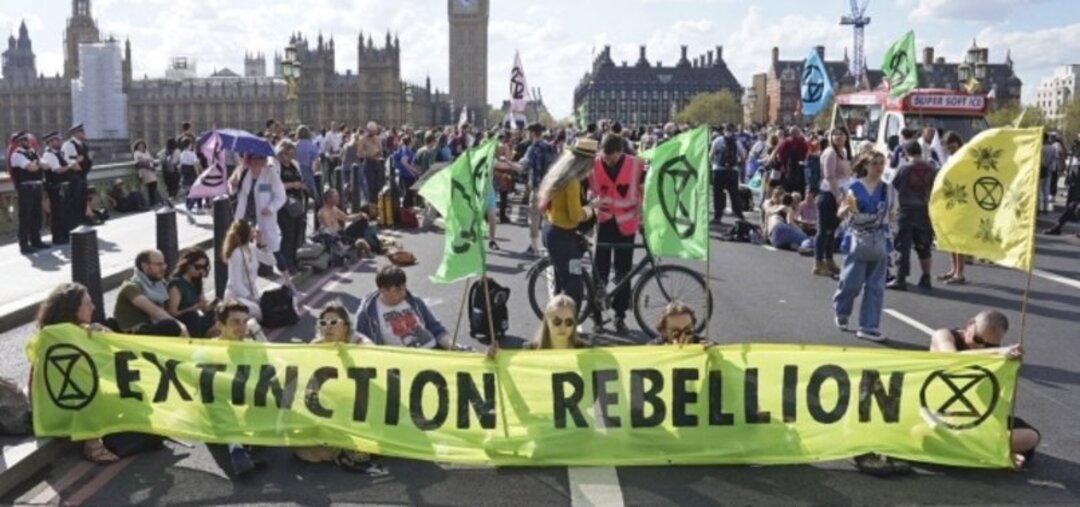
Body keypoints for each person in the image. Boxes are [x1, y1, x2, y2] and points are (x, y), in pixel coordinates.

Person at [930, 310, 1038, 469]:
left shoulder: (995, 355)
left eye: (989, 344)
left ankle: (980, 449)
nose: (979, 346)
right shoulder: (944, 335)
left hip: (974, 416)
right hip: (939, 413)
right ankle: (993, 453)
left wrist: (1010, 366)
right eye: (978, 339)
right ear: (970, 324)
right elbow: (952, 358)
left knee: (1031, 437)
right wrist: (995, 351)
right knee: (920, 433)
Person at [295, 302, 389, 475]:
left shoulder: (361, 343)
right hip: (331, 405)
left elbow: (374, 366)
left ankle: (347, 447)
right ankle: (343, 449)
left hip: (361, 404)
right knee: (304, 452)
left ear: (346, 326)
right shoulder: (316, 345)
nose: (327, 327)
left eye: (333, 323)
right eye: (323, 323)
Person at [36, 283, 121, 464]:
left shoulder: (77, 330)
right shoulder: (56, 334)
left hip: (74, 390)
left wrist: (104, 334)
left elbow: (118, 355)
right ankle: (92, 445)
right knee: (89, 389)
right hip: (63, 397)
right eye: (87, 304)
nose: (93, 307)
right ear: (72, 308)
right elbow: (91, 369)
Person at [833, 152, 894, 342]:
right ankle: (841, 310)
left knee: (876, 286)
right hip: (857, 238)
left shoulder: (887, 189)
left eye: (881, 163)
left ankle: (868, 326)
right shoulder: (853, 187)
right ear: (865, 165)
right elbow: (841, 212)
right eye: (874, 163)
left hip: (878, 238)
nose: (878, 167)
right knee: (851, 282)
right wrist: (846, 209)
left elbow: (892, 213)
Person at [589, 134, 643, 332]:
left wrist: (644, 219)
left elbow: (643, 190)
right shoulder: (594, 164)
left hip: (626, 224)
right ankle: (596, 316)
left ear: (621, 152)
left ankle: (620, 315)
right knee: (599, 271)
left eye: (611, 157)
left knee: (624, 272)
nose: (607, 160)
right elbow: (588, 189)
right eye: (605, 156)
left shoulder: (635, 165)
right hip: (604, 222)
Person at [537, 139, 599, 312]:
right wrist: (592, 208)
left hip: (551, 229)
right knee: (574, 286)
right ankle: (569, 327)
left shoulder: (559, 174)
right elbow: (575, 216)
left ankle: (555, 324)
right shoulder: (572, 182)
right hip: (563, 235)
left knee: (561, 282)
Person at [210, 300, 266, 476]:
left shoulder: (251, 345)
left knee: (267, 390)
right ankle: (237, 449)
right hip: (219, 405)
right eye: (235, 322)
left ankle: (254, 441)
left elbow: (274, 368)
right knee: (212, 396)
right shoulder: (206, 350)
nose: (242, 327)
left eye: (244, 321)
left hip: (242, 398)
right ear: (220, 325)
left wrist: (261, 341)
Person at [353, 265, 453, 348]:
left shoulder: (414, 301)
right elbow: (361, 342)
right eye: (398, 290)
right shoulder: (367, 314)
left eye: (404, 287)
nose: (403, 293)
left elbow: (436, 328)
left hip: (433, 350)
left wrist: (452, 346)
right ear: (383, 290)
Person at [231, 153, 291, 289]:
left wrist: (271, 208)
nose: (256, 165)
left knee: (273, 249)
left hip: (264, 217)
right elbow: (234, 192)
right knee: (241, 249)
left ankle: (288, 281)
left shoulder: (270, 174)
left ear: (264, 161)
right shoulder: (242, 170)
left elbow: (281, 195)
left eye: (260, 162)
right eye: (254, 162)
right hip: (245, 216)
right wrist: (232, 184)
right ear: (249, 160)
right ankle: (245, 283)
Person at [888, 141, 937, 291]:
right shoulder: (932, 168)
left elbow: (894, 184)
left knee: (903, 246)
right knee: (924, 246)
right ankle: (926, 277)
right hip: (924, 210)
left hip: (906, 210)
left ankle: (900, 278)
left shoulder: (904, 168)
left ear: (906, 153)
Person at [113, 250, 186, 336]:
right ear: (144, 266)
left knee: (190, 317)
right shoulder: (130, 287)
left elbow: (170, 311)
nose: (163, 268)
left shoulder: (160, 284)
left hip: (152, 326)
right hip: (135, 334)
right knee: (171, 325)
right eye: (158, 265)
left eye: (163, 264)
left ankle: (197, 346)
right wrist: (181, 326)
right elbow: (156, 312)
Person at [222, 220, 277, 322]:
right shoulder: (236, 254)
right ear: (246, 233)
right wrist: (252, 299)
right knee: (258, 311)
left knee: (273, 304)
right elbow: (236, 283)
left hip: (253, 293)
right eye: (251, 228)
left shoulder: (252, 248)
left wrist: (263, 244)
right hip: (237, 296)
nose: (254, 230)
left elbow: (271, 261)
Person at [815, 128, 851, 276]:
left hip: (842, 193)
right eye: (835, 134)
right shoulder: (830, 153)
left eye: (841, 134)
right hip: (829, 195)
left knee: (832, 230)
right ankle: (818, 262)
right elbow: (829, 176)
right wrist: (838, 196)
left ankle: (829, 260)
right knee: (823, 230)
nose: (838, 137)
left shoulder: (844, 152)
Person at [521, 123, 558, 256]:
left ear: (532, 133)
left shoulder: (532, 148)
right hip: (551, 187)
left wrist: (506, 163)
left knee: (534, 217)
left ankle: (534, 246)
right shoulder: (550, 147)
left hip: (538, 187)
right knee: (550, 217)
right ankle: (550, 246)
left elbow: (522, 167)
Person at [8, 131, 47, 254]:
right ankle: (24, 244)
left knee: (37, 216)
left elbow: (46, 166)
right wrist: (37, 164)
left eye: (27, 140)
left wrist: (37, 163)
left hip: (37, 186)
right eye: (24, 140)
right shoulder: (17, 155)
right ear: (19, 142)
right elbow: (32, 167)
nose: (27, 142)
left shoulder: (32, 152)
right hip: (25, 188)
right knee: (25, 217)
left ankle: (36, 240)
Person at [166, 247, 218, 338]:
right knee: (193, 316)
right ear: (187, 265)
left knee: (218, 314)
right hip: (185, 320)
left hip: (197, 318)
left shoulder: (197, 282)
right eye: (197, 267)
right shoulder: (176, 284)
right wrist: (195, 308)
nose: (201, 271)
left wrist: (209, 306)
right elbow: (172, 313)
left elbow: (203, 304)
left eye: (204, 267)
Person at [938, 132, 969, 284]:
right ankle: (953, 269)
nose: (949, 148)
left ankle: (960, 272)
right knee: (950, 238)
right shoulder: (949, 158)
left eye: (952, 145)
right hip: (950, 200)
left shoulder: (964, 157)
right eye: (946, 145)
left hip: (960, 200)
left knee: (958, 239)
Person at [275, 140, 307, 274]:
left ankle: (294, 261)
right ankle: (285, 264)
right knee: (288, 234)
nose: (290, 157)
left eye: (292, 154)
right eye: (287, 154)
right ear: (281, 153)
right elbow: (275, 186)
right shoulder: (275, 166)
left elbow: (300, 179)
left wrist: (301, 185)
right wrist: (293, 185)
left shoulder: (295, 165)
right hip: (283, 204)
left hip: (297, 203)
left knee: (297, 233)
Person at [40, 131, 76, 246]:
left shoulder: (59, 153)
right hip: (55, 187)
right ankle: (58, 236)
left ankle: (65, 234)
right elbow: (57, 170)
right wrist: (70, 166)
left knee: (65, 211)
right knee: (57, 212)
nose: (60, 142)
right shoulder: (49, 154)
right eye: (57, 140)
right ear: (50, 142)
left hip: (63, 185)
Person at [710, 123, 746, 225]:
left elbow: (711, 155)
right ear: (733, 130)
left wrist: (714, 163)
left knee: (718, 194)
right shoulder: (737, 142)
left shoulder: (717, 140)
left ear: (724, 130)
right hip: (732, 171)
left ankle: (718, 216)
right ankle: (739, 216)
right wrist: (739, 164)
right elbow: (743, 156)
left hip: (718, 170)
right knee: (734, 194)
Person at [61, 123, 92, 226]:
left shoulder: (83, 144)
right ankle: (75, 222)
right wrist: (75, 161)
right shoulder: (68, 144)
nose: (83, 133)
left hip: (83, 175)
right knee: (75, 199)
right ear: (74, 133)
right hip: (74, 176)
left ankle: (82, 219)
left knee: (83, 198)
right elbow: (65, 159)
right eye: (81, 132)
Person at [358, 122, 385, 204]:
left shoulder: (377, 139)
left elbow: (381, 151)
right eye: (372, 131)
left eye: (374, 131)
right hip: (368, 162)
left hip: (377, 162)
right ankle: (371, 204)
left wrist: (378, 153)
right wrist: (370, 153)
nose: (373, 133)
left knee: (378, 185)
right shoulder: (362, 139)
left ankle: (378, 204)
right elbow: (360, 154)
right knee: (370, 186)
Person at [391, 135, 420, 208]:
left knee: (408, 193)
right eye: (413, 139)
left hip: (406, 174)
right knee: (408, 193)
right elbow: (404, 162)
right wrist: (413, 171)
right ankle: (406, 210)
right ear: (410, 142)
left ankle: (408, 209)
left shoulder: (405, 149)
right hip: (406, 175)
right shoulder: (406, 150)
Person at [133, 139, 159, 208]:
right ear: (137, 146)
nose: (141, 147)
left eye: (142, 145)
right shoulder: (137, 153)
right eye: (140, 146)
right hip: (144, 171)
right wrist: (149, 165)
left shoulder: (147, 152)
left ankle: (153, 201)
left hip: (151, 170)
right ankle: (151, 201)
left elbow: (151, 159)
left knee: (154, 184)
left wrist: (153, 164)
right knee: (150, 186)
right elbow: (138, 163)